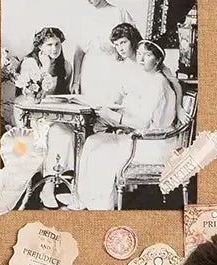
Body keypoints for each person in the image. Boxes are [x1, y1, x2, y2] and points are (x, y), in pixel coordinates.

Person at [71, 36, 179, 210]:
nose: (141, 59)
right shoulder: (147, 79)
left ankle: (101, 206)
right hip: (139, 136)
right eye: (139, 54)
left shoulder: (158, 83)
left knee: (102, 151)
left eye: (148, 55)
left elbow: (143, 123)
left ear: (158, 60)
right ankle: (85, 199)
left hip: (152, 143)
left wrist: (113, 117)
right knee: (92, 141)